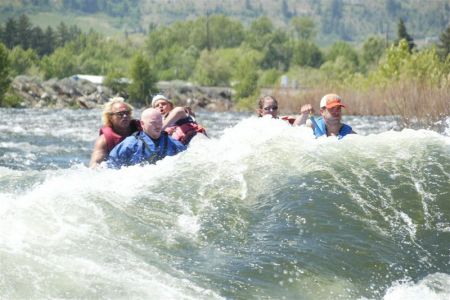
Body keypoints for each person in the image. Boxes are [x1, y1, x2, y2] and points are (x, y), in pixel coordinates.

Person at [106, 108, 186, 169]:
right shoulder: (129, 144)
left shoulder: (174, 144)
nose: (158, 126)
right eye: (153, 123)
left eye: (159, 122)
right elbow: (112, 166)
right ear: (142, 124)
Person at [89, 97, 141, 168]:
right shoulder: (103, 140)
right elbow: (94, 164)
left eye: (127, 113)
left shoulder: (141, 129)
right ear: (110, 117)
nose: (125, 116)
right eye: (120, 114)